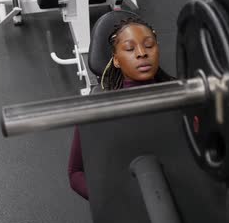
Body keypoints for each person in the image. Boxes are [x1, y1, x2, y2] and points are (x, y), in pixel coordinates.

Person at [68, 16, 175, 200]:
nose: (142, 53)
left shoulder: (182, 94)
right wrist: (112, 200)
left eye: (149, 45)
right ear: (116, 60)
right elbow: (75, 173)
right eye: (129, 48)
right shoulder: (96, 109)